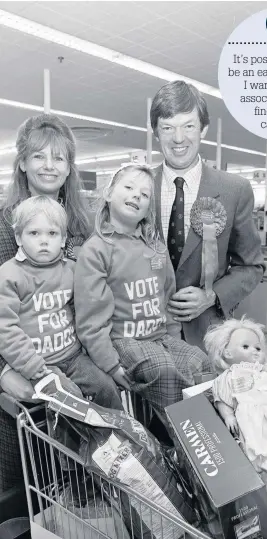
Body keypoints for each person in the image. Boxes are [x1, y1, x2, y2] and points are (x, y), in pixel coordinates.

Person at [0, 113, 119, 493]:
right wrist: (4, 373)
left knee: (85, 484)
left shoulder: (83, 228)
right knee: (35, 486)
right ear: (21, 163)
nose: (49, 166)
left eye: (59, 158)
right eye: (39, 156)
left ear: (70, 168)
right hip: (23, 378)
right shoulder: (5, 227)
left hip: (76, 356)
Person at [74, 164, 212, 434]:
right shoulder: (97, 249)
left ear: (149, 208)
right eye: (128, 187)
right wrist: (110, 365)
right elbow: (90, 320)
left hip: (160, 338)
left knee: (200, 361)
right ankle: (187, 448)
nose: (136, 195)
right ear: (109, 193)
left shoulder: (155, 247)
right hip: (124, 341)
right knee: (165, 370)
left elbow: (167, 299)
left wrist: (174, 338)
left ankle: (206, 438)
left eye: (145, 194)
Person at [150, 80, 265, 349]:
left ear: (204, 128)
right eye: (168, 128)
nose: (178, 139)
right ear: (155, 132)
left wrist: (211, 295)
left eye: (188, 126)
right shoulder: (137, 189)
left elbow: (251, 267)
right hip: (148, 334)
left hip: (209, 335)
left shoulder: (234, 190)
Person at [0, 195, 123, 410]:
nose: (44, 240)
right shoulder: (9, 275)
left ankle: (117, 439)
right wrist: (29, 364)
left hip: (74, 356)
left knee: (105, 387)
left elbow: (86, 311)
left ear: (64, 239)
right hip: (39, 364)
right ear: (19, 238)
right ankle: (81, 445)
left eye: (52, 233)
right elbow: (5, 328)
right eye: (34, 233)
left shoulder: (73, 270)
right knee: (69, 402)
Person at [204, 317, 267, 481]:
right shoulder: (229, 376)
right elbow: (222, 399)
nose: (255, 351)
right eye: (246, 346)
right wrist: (228, 415)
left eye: (258, 348)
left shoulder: (263, 372)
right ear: (227, 352)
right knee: (254, 443)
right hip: (250, 416)